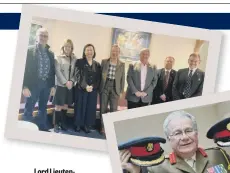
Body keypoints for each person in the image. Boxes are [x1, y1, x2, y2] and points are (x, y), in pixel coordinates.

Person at [120, 110, 230, 173]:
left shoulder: (218, 154)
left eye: (189, 130)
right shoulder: (156, 168)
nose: (184, 137)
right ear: (169, 139)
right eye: (177, 133)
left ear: (196, 134)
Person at [21, 28, 55, 131]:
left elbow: (52, 71)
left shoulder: (51, 53)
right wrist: (24, 87)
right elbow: (24, 69)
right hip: (33, 85)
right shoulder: (29, 50)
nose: (43, 38)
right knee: (29, 108)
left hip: (46, 84)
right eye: (41, 35)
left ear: (47, 38)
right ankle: (26, 130)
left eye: (45, 36)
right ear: (37, 36)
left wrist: (53, 86)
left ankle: (41, 127)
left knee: (43, 107)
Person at [74, 44, 101, 133]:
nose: (89, 52)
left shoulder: (97, 64)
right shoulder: (79, 62)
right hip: (81, 89)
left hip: (92, 91)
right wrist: (85, 86)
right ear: (84, 52)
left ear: (94, 52)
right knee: (80, 107)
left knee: (90, 108)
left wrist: (92, 87)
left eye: (91, 50)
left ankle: (86, 125)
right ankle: (78, 125)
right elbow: (77, 75)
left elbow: (98, 78)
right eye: (87, 50)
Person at [52, 39, 77, 132]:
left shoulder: (75, 59)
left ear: (72, 48)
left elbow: (76, 73)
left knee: (65, 106)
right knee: (58, 106)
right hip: (61, 85)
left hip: (70, 86)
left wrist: (72, 81)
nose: (67, 48)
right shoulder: (58, 58)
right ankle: (56, 124)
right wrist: (65, 82)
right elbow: (57, 72)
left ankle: (63, 123)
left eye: (69, 46)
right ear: (63, 47)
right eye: (66, 46)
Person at [99, 44, 125, 134]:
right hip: (105, 86)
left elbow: (123, 78)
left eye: (116, 51)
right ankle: (102, 127)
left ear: (119, 53)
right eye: (113, 51)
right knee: (103, 109)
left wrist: (121, 91)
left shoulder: (122, 64)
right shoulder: (104, 61)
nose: (115, 53)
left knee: (113, 109)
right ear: (111, 51)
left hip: (115, 88)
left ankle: (110, 127)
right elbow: (99, 75)